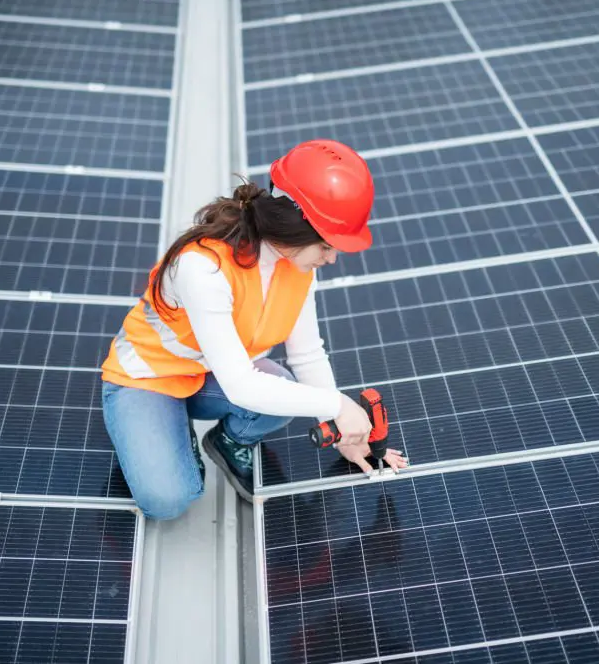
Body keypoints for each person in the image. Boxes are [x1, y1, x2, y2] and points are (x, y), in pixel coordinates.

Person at [100, 139, 409, 519]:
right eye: (328, 245)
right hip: (148, 378)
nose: (333, 258)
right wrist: (338, 405)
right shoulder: (204, 268)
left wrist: (342, 432)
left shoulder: (297, 267)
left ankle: (227, 440)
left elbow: (308, 355)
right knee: (167, 501)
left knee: (284, 385)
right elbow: (242, 387)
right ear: (296, 227)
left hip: (210, 375)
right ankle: (158, 429)